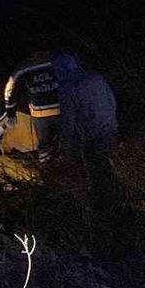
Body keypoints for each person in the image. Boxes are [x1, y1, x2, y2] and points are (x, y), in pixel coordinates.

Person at [51, 51, 120, 223]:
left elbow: (68, 120)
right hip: (109, 127)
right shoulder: (96, 78)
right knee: (104, 164)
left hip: (92, 134)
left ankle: (104, 207)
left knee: (96, 169)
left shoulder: (67, 87)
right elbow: (112, 100)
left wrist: (65, 143)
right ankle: (113, 198)